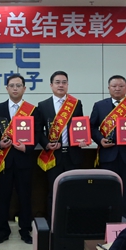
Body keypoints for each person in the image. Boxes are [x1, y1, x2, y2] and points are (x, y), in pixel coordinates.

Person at [0, 74, 41, 245]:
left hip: (24, 160)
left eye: (18, 85)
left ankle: (25, 231)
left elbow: (38, 133)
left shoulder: (32, 110)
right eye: (12, 85)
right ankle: (3, 231)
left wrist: (27, 147)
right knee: (3, 197)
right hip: (4, 161)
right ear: (7, 88)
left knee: (25, 197)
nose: (15, 88)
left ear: (24, 88)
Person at [89, 75, 126, 220]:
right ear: (108, 88)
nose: (117, 89)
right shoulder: (99, 106)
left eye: (121, 86)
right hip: (108, 155)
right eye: (114, 86)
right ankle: (108, 219)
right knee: (108, 189)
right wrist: (100, 140)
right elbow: (92, 127)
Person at [37, 71, 85, 205]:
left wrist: (82, 138)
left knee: (74, 191)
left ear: (67, 85)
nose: (61, 85)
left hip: (72, 154)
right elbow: (38, 131)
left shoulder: (76, 104)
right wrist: (47, 144)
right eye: (57, 82)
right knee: (54, 191)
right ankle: (53, 218)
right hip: (53, 155)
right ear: (51, 85)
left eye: (64, 82)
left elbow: (80, 126)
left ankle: (72, 219)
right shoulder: (43, 105)